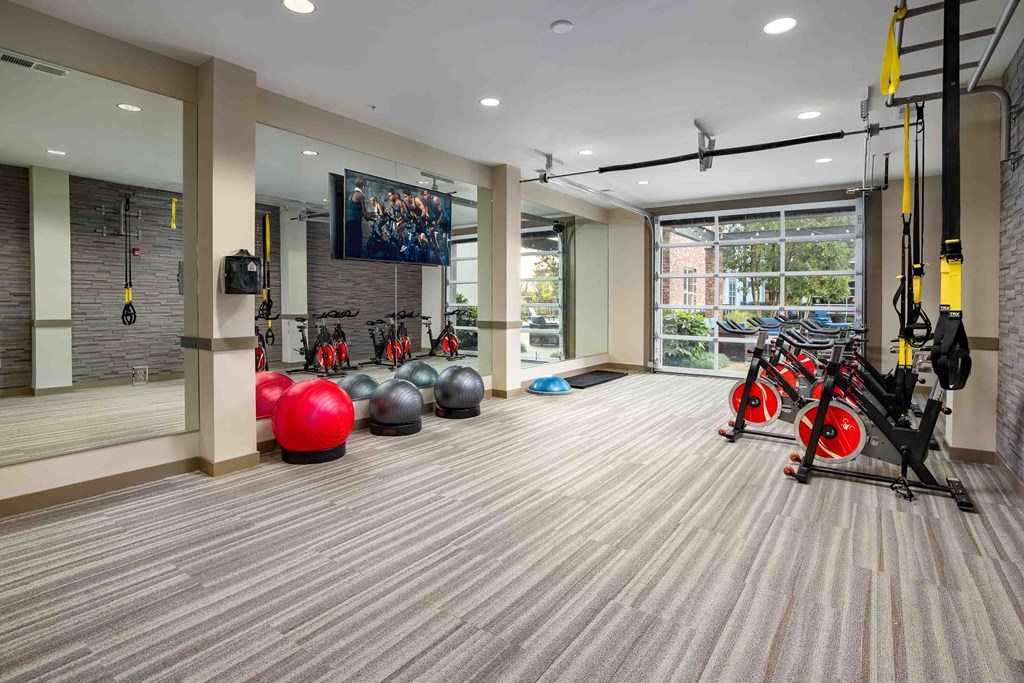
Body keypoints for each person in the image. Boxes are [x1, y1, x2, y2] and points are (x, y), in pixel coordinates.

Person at [346, 177, 375, 259]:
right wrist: (373, 214)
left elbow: (360, 211)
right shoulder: (360, 195)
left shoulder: (352, 194)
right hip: (355, 224)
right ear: (363, 186)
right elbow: (366, 215)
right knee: (357, 249)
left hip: (349, 223)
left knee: (351, 249)